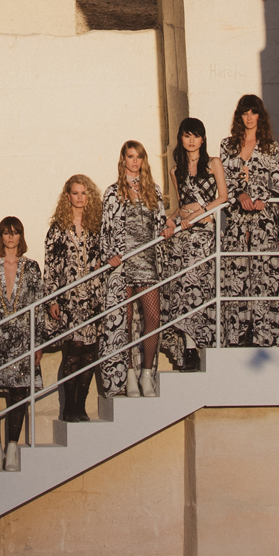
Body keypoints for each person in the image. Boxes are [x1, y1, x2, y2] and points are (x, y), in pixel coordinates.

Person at [99, 142, 169, 399]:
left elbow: (161, 223)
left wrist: (167, 229)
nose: (135, 161)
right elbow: (105, 229)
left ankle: (147, 374)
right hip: (123, 264)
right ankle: (129, 374)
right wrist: (110, 255)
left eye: (139, 156)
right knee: (125, 321)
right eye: (131, 156)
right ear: (123, 159)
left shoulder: (153, 190)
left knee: (153, 319)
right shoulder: (112, 192)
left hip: (147, 262)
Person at [0, 219, 45, 473]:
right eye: (6, 232)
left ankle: (12, 449)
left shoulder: (32, 267)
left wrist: (39, 343)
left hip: (22, 341)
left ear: (21, 236)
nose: (11, 237)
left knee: (18, 393)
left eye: (15, 233)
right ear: (0, 236)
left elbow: (38, 306)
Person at [219, 95, 279, 347]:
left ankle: (263, 335)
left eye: (253, 112)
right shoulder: (228, 146)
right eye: (245, 112)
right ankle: (237, 335)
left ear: (260, 115)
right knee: (236, 275)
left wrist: (262, 197)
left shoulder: (270, 147)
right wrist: (240, 194)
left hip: (262, 222)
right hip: (237, 220)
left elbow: (278, 182)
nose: (249, 117)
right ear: (239, 116)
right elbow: (223, 180)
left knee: (263, 275)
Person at [163, 119, 228, 371]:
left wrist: (200, 212)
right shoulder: (175, 170)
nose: (191, 140)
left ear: (203, 139)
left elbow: (223, 197)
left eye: (196, 135)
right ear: (181, 138)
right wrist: (171, 220)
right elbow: (181, 203)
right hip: (183, 233)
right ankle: (189, 347)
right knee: (181, 289)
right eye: (187, 135)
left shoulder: (213, 163)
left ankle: (197, 345)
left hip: (203, 231)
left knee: (196, 287)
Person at [43, 176, 104, 423]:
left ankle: (81, 406)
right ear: (67, 196)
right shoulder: (58, 228)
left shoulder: (96, 226)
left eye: (84, 193)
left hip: (92, 297)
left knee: (89, 352)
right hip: (69, 299)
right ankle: (69, 407)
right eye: (75, 193)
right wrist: (52, 300)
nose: (80, 198)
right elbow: (50, 266)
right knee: (74, 350)